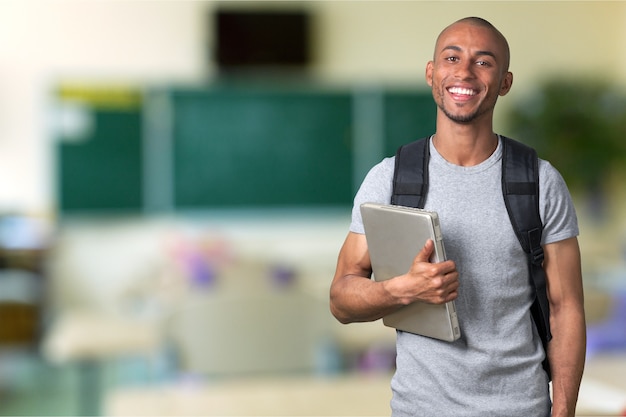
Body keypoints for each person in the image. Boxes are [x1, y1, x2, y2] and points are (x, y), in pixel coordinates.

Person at [329, 17, 586, 417]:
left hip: (521, 407)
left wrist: (564, 410)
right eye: (452, 57)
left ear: (504, 82)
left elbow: (566, 306)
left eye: (483, 62)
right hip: (420, 408)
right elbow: (342, 300)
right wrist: (403, 290)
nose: (464, 71)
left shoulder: (540, 181)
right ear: (432, 73)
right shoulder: (390, 179)